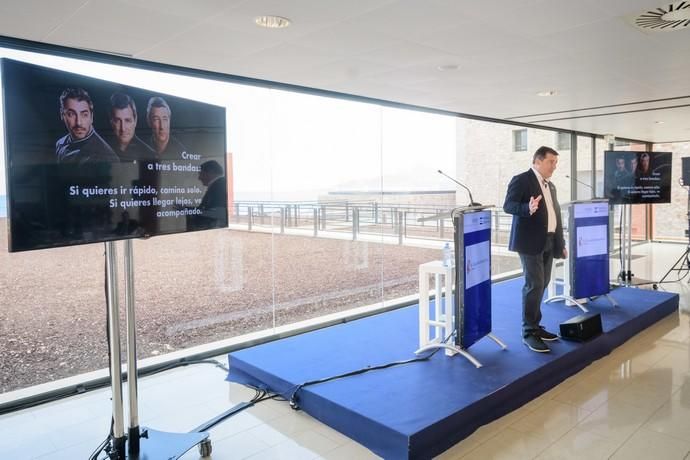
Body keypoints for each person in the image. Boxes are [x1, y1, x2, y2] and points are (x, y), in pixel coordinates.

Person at [503, 146, 567, 353]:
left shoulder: (551, 186)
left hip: (549, 241)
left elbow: (555, 215)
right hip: (529, 242)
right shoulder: (522, 180)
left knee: (543, 283)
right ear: (538, 161)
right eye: (551, 162)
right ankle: (528, 331)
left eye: (556, 163)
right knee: (534, 284)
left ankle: (536, 326)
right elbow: (508, 205)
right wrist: (526, 209)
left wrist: (561, 244)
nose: (554, 167)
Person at [55, 88, 119, 164]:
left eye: (84, 115)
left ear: (91, 117)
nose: (78, 122)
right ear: (62, 115)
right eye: (71, 114)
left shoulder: (106, 157)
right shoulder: (60, 143)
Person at [108, 92, 155, 161]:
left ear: (135, 120)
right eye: (118, 121)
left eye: (127, 120)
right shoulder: (102, 150)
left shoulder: (150, 155)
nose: (123, 128)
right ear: (111, 121)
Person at [188, 160, 228, 229]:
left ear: (210, 172)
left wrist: (188, 210)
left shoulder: (219, 187)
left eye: (201, 174)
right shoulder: (220, 184)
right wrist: (188, 209)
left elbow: (216, 212)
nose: (199, 178)